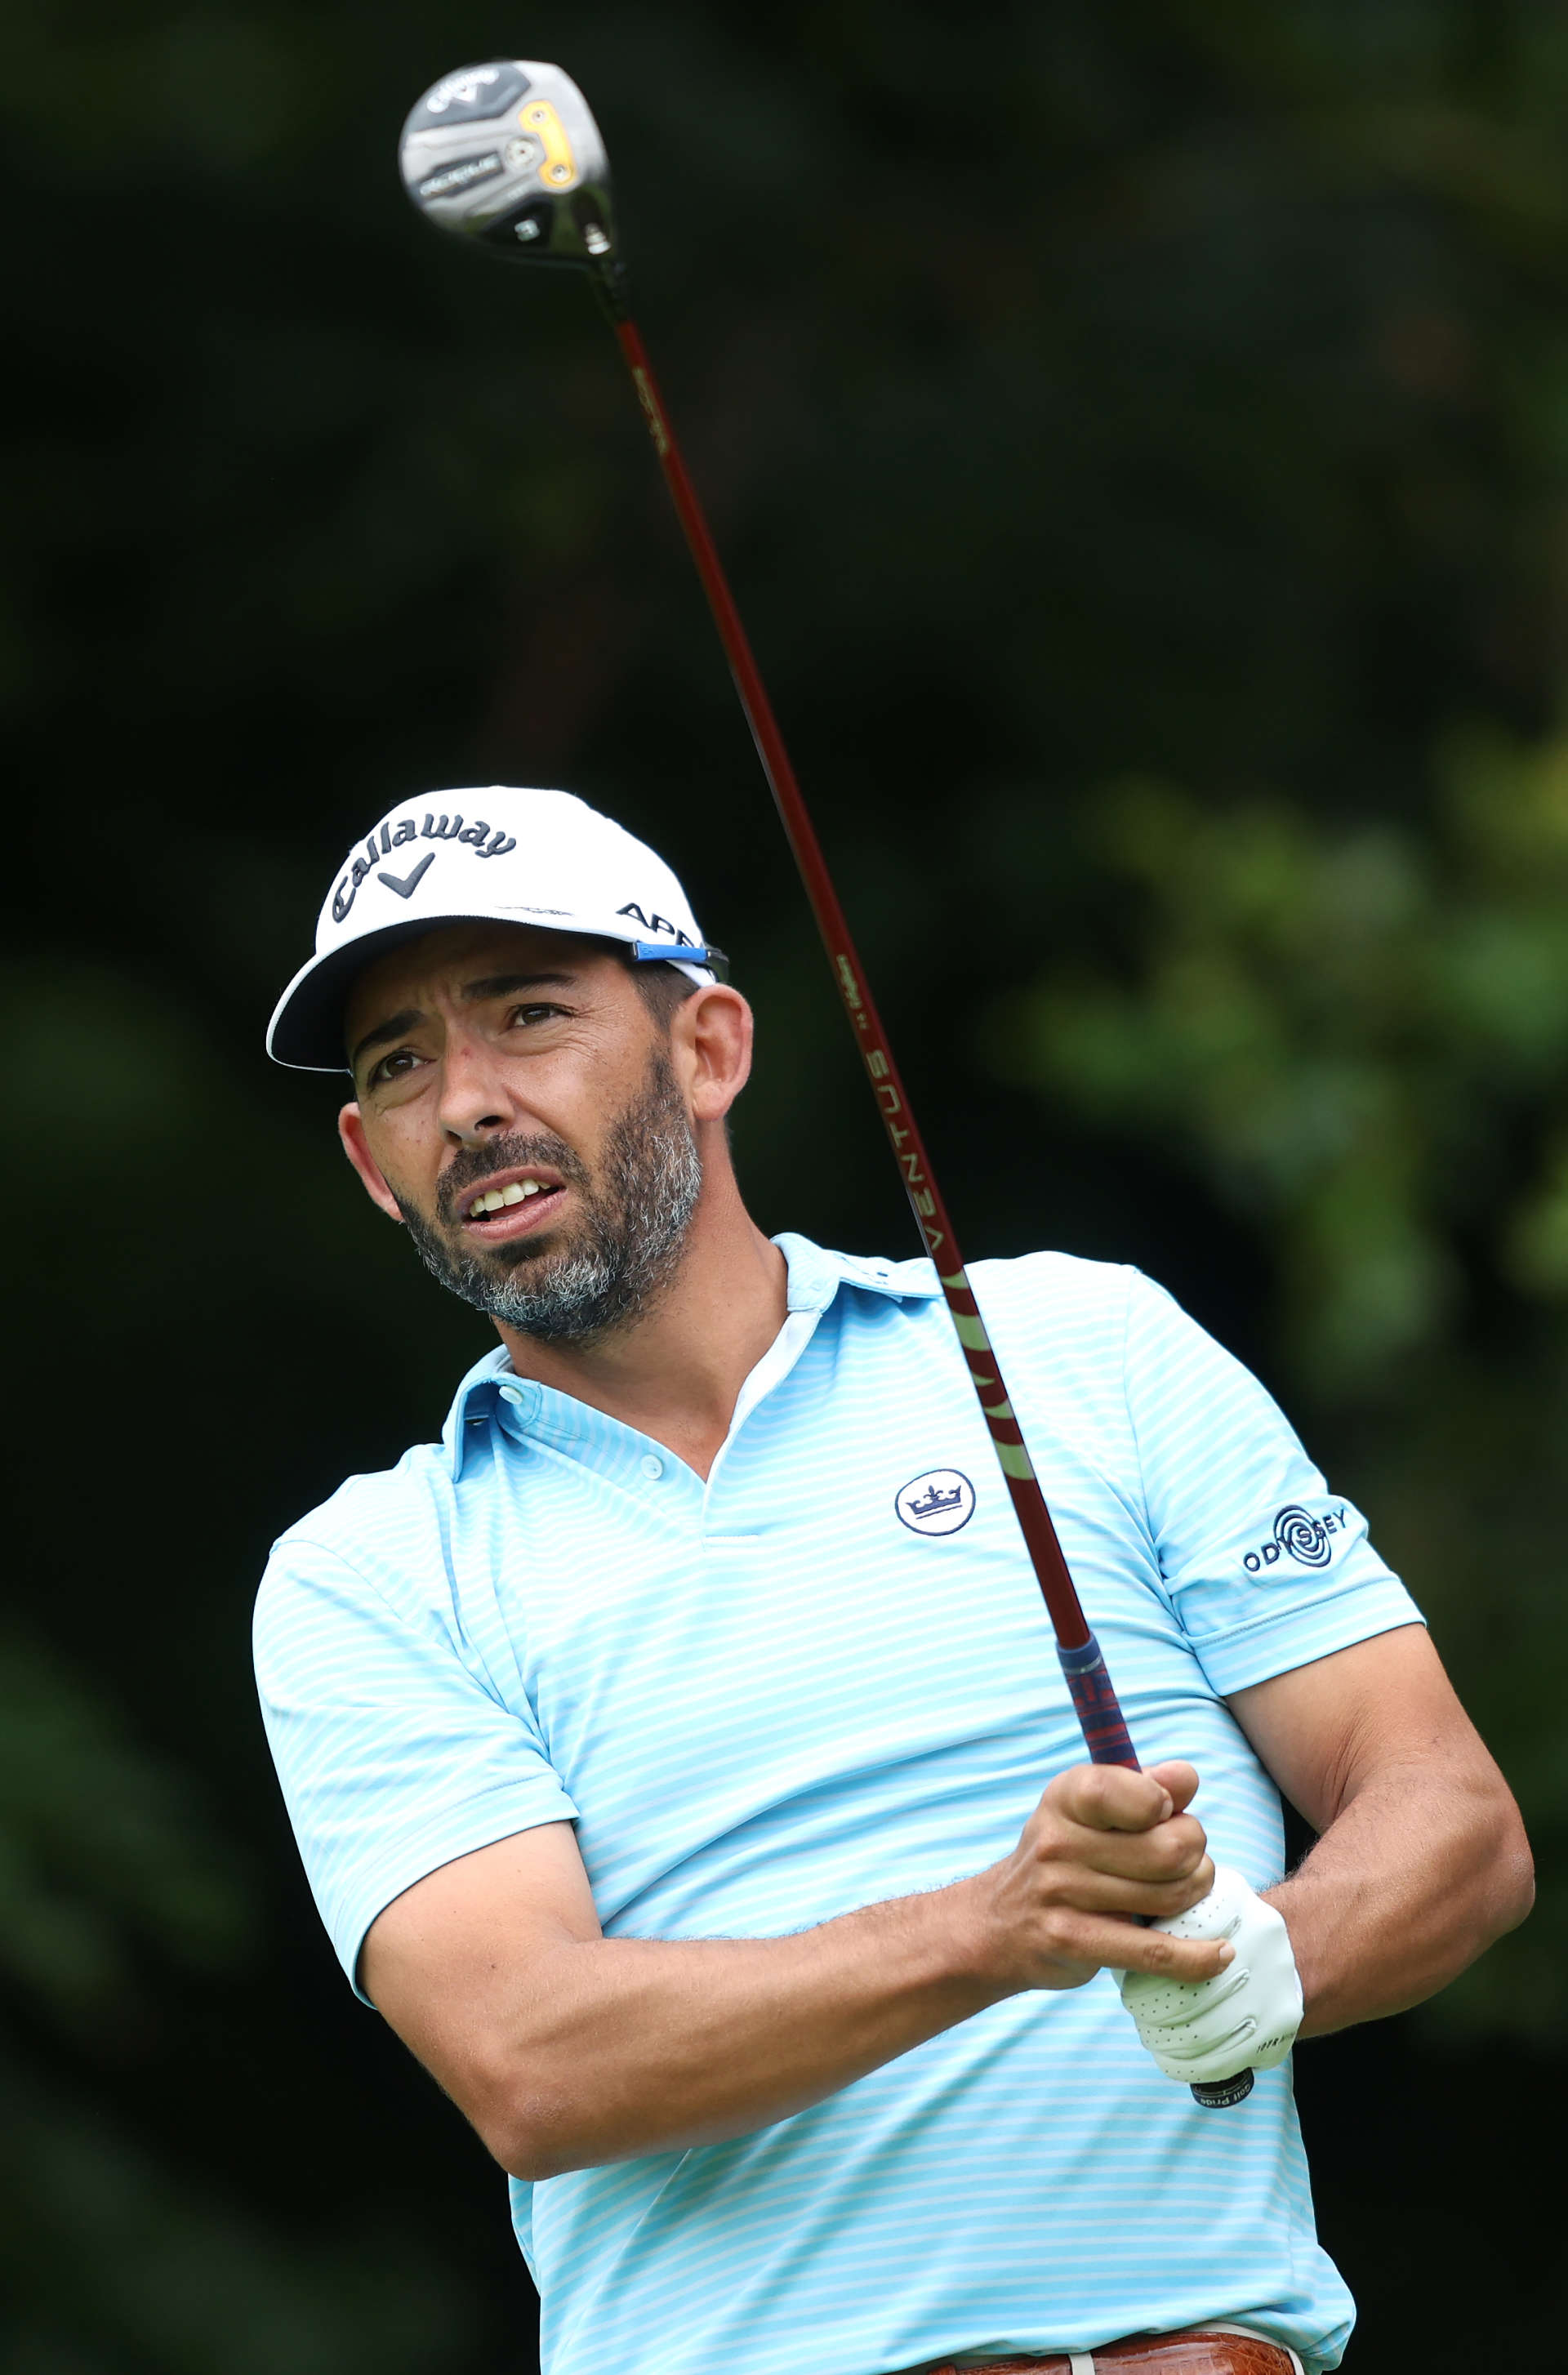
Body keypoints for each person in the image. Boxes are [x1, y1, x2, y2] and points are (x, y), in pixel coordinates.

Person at [256, 783, 1532, 2375]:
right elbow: (532, 2058)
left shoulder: (1088, 1349)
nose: (466, 1100)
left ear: (708, 1046)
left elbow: (1450, 1813)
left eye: (529, 1014)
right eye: (401, 1063)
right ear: (370, 1158)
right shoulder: (372, 1573)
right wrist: (997, 1926)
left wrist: (1279, 1954)